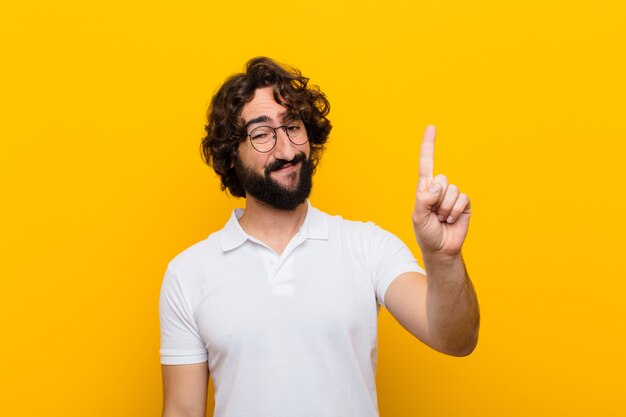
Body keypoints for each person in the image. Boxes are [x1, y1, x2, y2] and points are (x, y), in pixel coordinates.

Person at [159, 57, 479, 417]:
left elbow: (455, 339)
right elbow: (183, 411)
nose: (287, 150)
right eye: (262, 134)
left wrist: (444, 258)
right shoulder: (187, 274)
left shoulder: (367, 246)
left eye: (293, 126)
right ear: (230, 154)